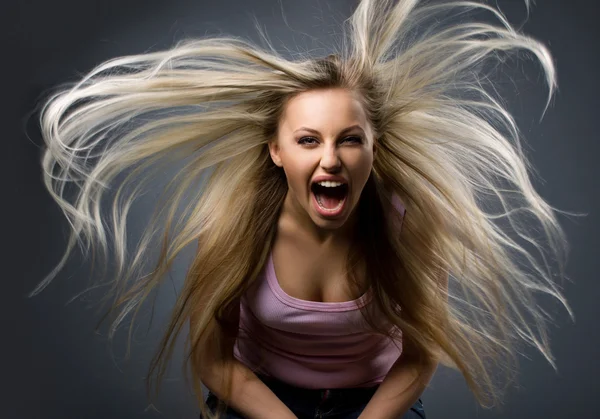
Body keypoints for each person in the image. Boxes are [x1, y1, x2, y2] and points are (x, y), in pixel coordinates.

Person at [30, 0, 572, 418]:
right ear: (277, 150)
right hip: (260, 400)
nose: (330, 160)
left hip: (375, 404)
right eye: (309, 140)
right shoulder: (233, 226)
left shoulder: (413, 224)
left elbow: (418, 356)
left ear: (374, 147)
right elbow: (214, 361)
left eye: (350, 140)